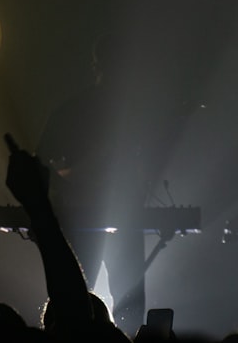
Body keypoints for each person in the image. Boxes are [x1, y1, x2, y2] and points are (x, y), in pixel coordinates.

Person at [34, 32, 180, 335]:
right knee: (115, 299)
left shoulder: (79, 109)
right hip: (91, 215)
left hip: (102, 216)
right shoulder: (80, 111)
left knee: (81, 296)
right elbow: (45, 162)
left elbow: (41, 163)